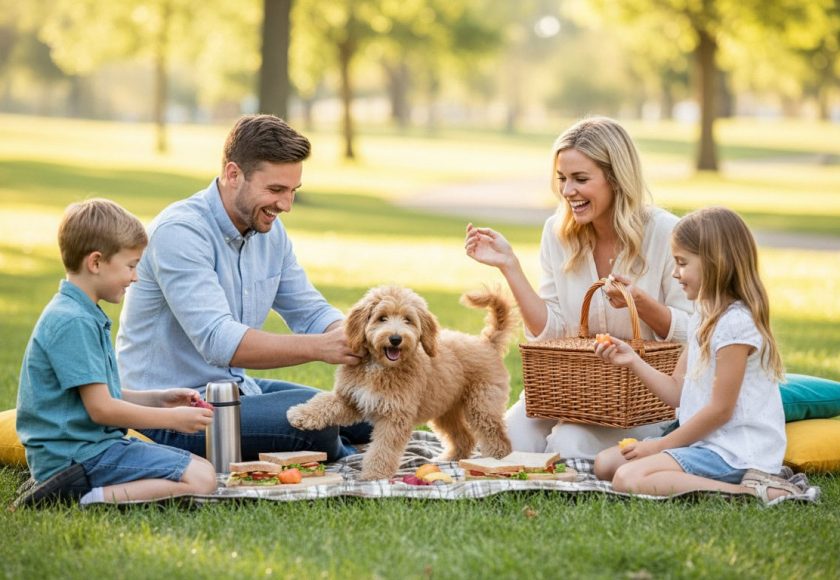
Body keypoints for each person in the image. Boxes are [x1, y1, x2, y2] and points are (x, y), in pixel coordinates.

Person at [116, 114, 371, 461]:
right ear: (233, 174)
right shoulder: (180, 232)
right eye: (276, 190)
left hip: (235, 390)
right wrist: (320, 347)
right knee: (318, 423)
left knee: (362, 410)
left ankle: (341, 446)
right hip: (170, 413)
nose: (286, 205)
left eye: (293, 191)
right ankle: (346, 456)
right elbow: (219, 341)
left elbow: (309, 310)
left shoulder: (269, 230)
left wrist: (354, 336)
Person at [465, 116, 693, 459]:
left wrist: (641, 303)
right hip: (571, 390)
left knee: (568, 443)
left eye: (581, 179)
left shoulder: (666, 233)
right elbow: (552, 332)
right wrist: (510, 266)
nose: (567, 191)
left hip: (643, 400)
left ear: (616, 178)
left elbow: (695, 332)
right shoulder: (557, 232)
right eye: (562, 178)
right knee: (502, 444)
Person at [16, 199, 217, 504]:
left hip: (88, 450)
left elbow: (99, 395)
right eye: (131, 266)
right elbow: (102, 410)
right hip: (77, 459)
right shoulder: (73, 321)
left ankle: (84, 491)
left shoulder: (79, 312)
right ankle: (81, 497)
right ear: (96, 263)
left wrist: (159, 399)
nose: (135, 277)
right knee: (202, 478)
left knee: (202, 468)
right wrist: (172, 419)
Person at [592, 207, 800, 501]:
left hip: (735, 452)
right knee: (605, 464)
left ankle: (749, 491)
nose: (675, 273)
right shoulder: (703, 315)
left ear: (716, 263)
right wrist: (632, 360)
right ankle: (692, 476)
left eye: (681, 263)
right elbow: (677, 391)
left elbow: (720, 411)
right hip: (705, 444)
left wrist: (659, 446)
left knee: (628, 478)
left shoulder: (736, 323)